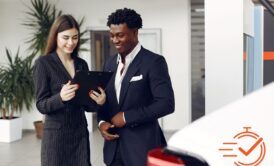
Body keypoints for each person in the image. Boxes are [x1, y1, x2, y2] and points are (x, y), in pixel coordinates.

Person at [97, 8, 175, 166]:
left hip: (141, 148)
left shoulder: (153, 62)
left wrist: (127, 117)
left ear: (135, 33)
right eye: (112, 35)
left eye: (120, 35)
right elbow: (106, 100)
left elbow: (166, 104)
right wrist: (102, 123)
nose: (115, 40)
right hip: (113, 150)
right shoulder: (109, 63)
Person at [33, 14, 106, 166]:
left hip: (79, 135)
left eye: (75, 37)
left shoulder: (81, 64)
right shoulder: (43, 64)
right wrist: (60, 97)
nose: (71, 42)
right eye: (65, 37)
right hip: (56, 139)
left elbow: (87, 104)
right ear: (55, 36)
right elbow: (41, 104)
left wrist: (98, 101)